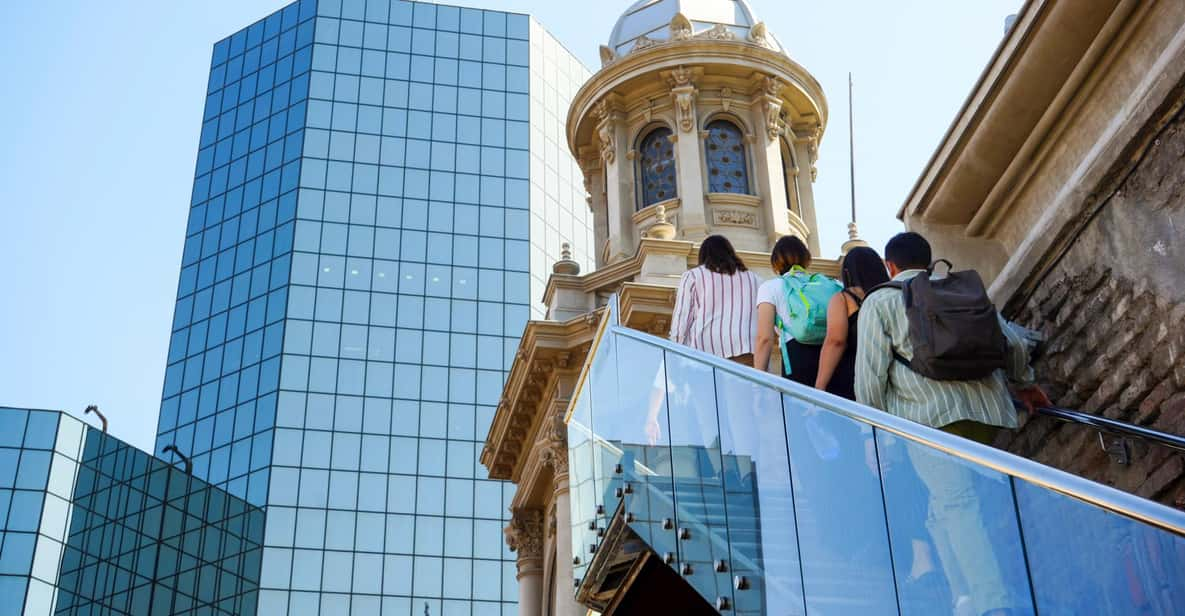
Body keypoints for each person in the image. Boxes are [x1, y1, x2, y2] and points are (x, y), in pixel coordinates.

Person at [855, 231, 1050, 616]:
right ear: (928, 262)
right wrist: (1025, 386)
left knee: (957, 505)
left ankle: (991, 603)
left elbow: (870, 376)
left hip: (930, 420)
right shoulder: (962, 290)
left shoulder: (880, 301)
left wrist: (869, 434)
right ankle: (964, 598)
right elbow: (1010, 342)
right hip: (987, 414)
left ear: (890, 266)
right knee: (941, 507)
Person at [754, 236, 838, 386]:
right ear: (806, 259)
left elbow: (764, 338)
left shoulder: (770, 287)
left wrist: (757, 383)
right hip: (834, 358)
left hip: (797, 358)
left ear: (775, 263)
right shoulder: (830, 284)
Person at [669, 235, 762, 365]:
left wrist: (674, 355)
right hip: (747, 354)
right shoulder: (755, 280)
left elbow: (681, 322)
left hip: (705, 356)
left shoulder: (693, 276)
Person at [814, 246, 889, 400]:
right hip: (890, 374)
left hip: (854, 376)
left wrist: (819, 386)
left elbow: (836, 341)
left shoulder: (844, 298)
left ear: (847, 272)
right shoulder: (891, 294)